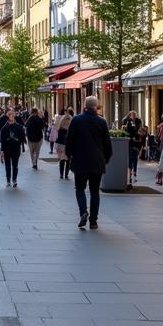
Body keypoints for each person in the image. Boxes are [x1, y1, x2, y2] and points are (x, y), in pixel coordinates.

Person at [66, 96, 111, 230]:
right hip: (97, 162)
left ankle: (83, 212)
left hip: (80, 161)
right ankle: (93, 221)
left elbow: (69, 140)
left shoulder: (76, 120)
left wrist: (69, 155)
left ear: (85, 106)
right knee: (94, 192)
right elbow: (107, 144)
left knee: (79, 189)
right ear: (96, 107)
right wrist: (106, 159)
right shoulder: (102, 122)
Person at [1, 109, 27, 187]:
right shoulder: (4, 128)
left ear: (14, 115)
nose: (11, 116)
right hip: (7, 149)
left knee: (15, 165)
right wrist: (2, 151)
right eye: (9, 114)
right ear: (7, 116)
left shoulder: (18, 126)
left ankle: (14, 180)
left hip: (16, 149)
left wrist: (18, 140)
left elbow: (23, 137)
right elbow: (2, 140)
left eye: (12, 114)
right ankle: (8, 180)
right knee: (7, 165)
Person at [124, 111, 144, 189]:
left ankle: (134, 175)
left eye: (134, 115)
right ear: (129, 115)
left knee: (134, 159)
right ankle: (130, 176)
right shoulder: (127, 121)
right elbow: (127, 130)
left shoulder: (138, 121)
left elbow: (139, 130)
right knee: (130, 159)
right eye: (132, 115)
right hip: (130, 142)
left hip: (136, 143)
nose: (133, 116)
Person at [56, 108, 73, 179]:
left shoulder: (62, 119)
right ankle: (66, 175)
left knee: (62, 159)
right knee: (67, 159)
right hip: (68, 143)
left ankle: (61, 174)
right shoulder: (71, 119)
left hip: (60, 143)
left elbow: (58, 128)